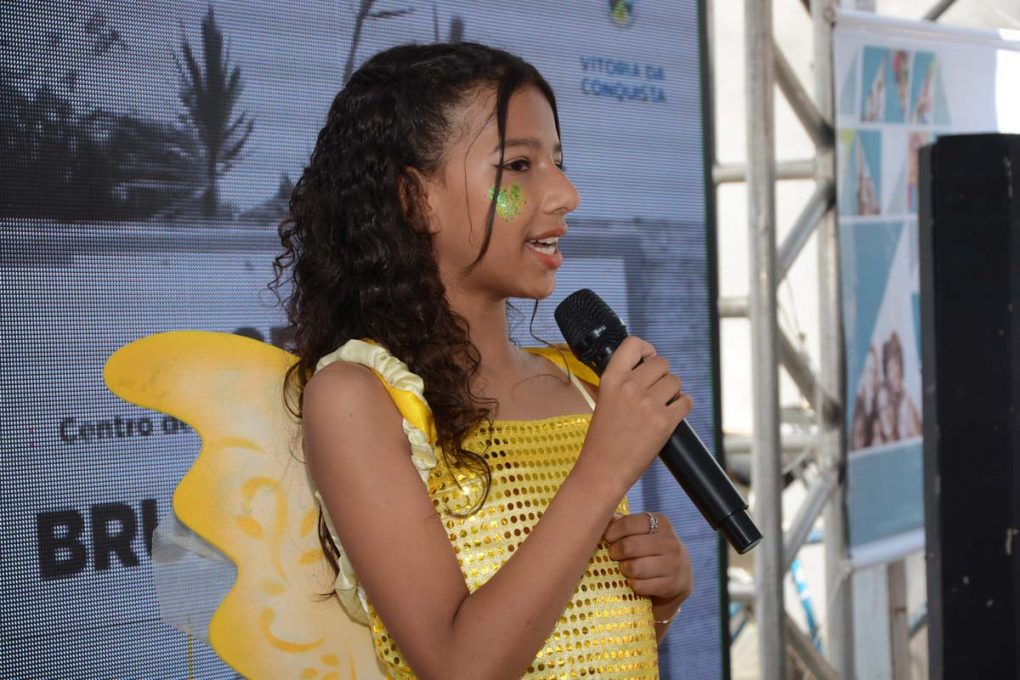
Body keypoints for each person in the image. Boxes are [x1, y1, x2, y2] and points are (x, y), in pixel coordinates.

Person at [273, 43, 693, 679]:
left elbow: (572, 647)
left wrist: (660, 601)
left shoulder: (577, 384)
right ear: (415, 198)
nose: (566, 194)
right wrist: (603, 469)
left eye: (558, 163)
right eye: (518, 165)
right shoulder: (358, 398)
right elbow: (459, 667)